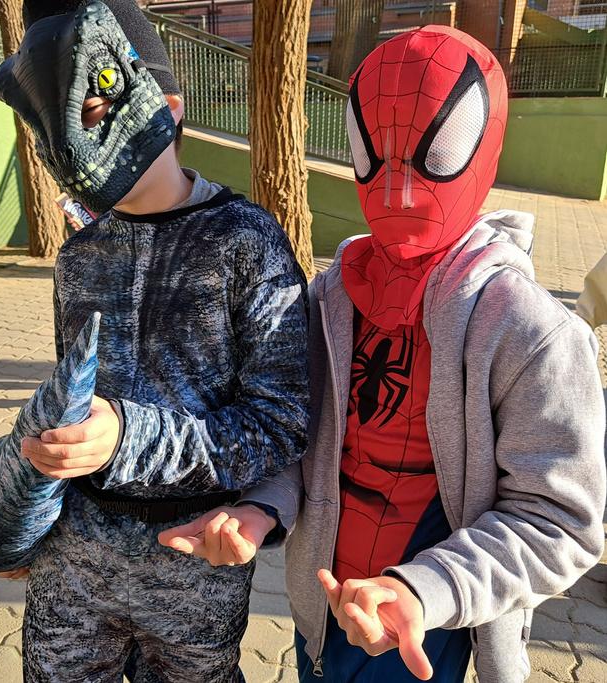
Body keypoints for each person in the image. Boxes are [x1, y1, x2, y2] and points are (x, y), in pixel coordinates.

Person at [160, 25, 607, 683]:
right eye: (377, 154)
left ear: (480, 145)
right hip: (322, 610)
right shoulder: (330, 299)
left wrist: (424, 590)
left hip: (430, 628)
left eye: (433, 153)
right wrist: (260, 509)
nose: (397, 189)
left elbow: (560, 520)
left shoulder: (531, 333)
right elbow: (299, 439)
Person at [0, 1, 309, 681]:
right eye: (49, 125)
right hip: (72, 572)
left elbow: (280, 424)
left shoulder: (247, 242)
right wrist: (27, 510)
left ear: (169, 109)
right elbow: (74, 399)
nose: (70, 145)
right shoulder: (79, 257)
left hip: (193, 572)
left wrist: (129, 437)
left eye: (92, 111)